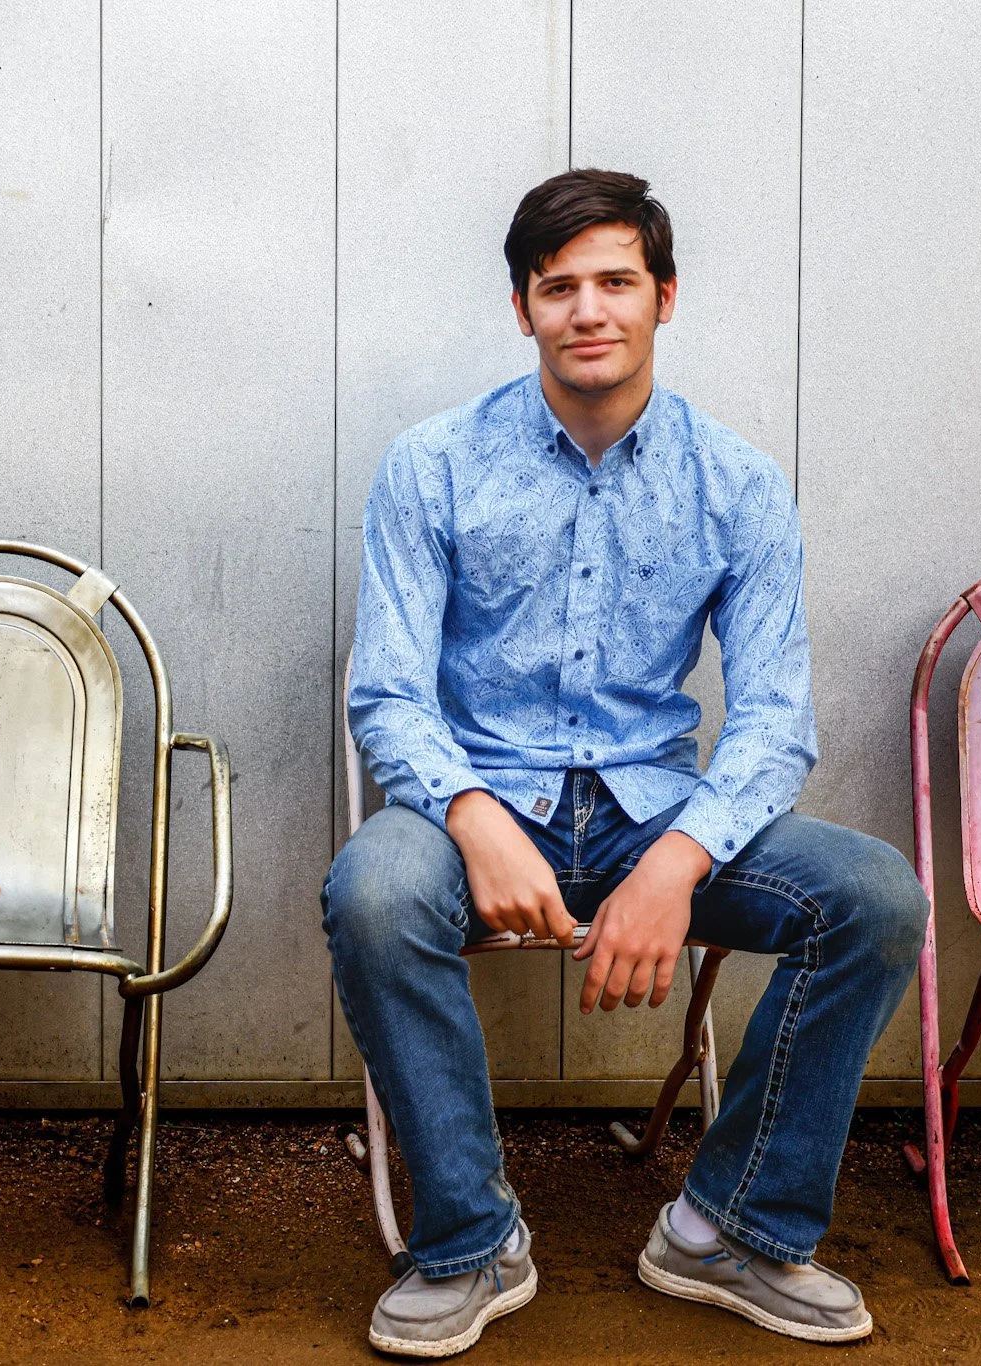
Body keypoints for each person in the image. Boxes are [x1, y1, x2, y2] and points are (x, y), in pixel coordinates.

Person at [325, 168, 928, 1357]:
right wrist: (472, 814)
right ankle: (466, 1240)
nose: (587, 309)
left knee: (871, 896)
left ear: (663, 296)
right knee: (374, 891)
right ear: (521, 309)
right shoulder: (432, 465)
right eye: (559, 287)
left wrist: (675, 862)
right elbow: (388, 693)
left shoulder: (735, 481)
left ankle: (729, 1228)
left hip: (659, 810)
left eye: (614, 282)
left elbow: (772, 718)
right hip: (476, 809)